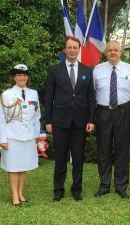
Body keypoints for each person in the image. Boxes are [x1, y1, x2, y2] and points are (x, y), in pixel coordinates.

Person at [45, 36, 95, 202]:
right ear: (64, 50)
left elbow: (90, 97)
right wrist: (48, 121)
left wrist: (91, 119)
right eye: (69, 47)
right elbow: (48, 97)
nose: (72, 50)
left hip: (80, 122)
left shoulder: (88, 71)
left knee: (78, 158)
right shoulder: (54, 70)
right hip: (60, 121)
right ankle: (58, 190)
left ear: (79, 49)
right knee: (60, 158)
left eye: (75, 47)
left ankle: (77, 190)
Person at [93, 40, 130, 199]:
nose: (113, 53)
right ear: (106, 53)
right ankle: (104, 185)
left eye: (116, 50)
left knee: (122, 150)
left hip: (123, 111)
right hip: (103, 112)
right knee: (103, 150)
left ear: (121, 52)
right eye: (110, 50)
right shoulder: (98, 70)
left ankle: (121, 187)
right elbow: (91, 94)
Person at [0, 64, 40, 207]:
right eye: (19, 75)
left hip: (28, 136)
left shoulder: (33, 93)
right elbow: (2, 118)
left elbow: (36, 116)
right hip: (13, 136)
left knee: (23, 166)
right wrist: (2, 139)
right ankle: (14, 194)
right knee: (13, 166)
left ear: (27, 78)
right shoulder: (6, 95)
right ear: (14, 77)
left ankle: (21, 192)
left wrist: (36, 134)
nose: (22, 77)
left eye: (25, 75)